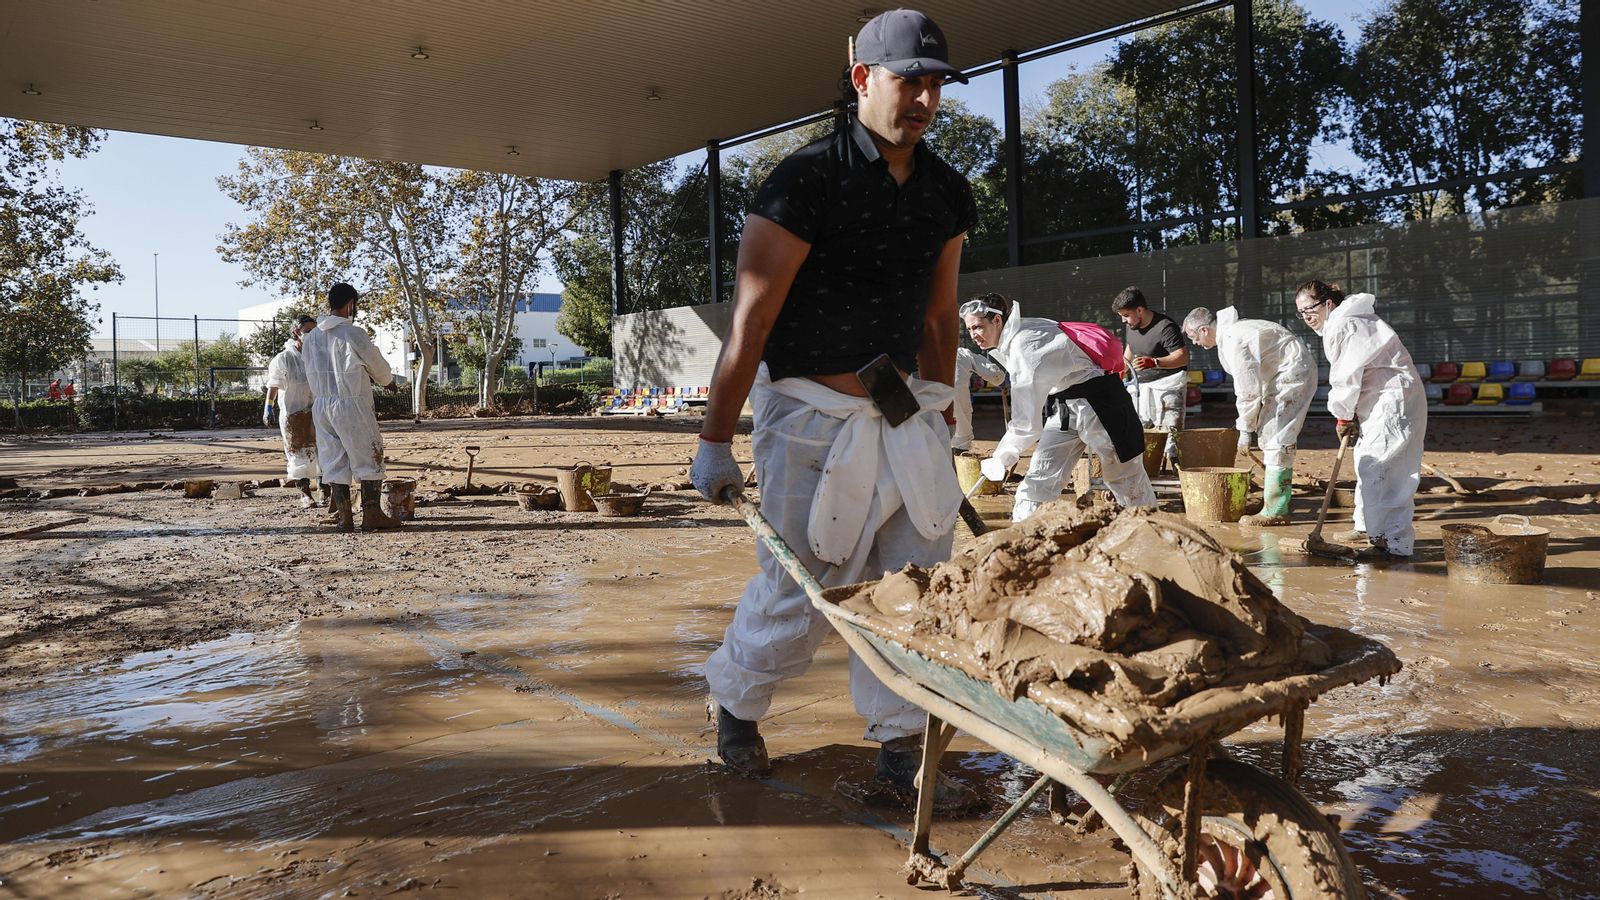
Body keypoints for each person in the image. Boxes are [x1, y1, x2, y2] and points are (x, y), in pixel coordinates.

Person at [690, 9, 975, 805]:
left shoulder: (946, 191)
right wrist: (715, 439)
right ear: (862, 80)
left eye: (933, 83)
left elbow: (939, 316)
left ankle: (899, 749)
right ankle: (737, 706)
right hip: (810, 415)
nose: (922, 96)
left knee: (913, 587)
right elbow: (753, 319)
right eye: (906, 79)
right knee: (802, 582)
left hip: (903, 414)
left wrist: (944, 409)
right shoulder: (804, 180)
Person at [965, 293, 1155, 520]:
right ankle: (1022, 537)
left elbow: (1026, 424)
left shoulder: (1025, 344)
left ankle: (1150, 532)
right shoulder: (1023, 332)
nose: (973, 335)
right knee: (1039, 477)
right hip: (1065, 406)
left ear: (997, 321)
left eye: (977, 327)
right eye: (969, 330)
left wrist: (1001, 458)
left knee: (1126, 478)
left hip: (1102, 404)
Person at [1295, 280, 1427, 559]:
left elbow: (1346, 378)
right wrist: (1349, 412)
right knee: (1369, 464)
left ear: (1328, 303)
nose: (1306, 317)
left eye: (1310, 309)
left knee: (1384, 471)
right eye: (1301, 312)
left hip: (1391, 403)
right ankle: (1369, 527)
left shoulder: (1344, 324)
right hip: (1383, 401)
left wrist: (1342, 416)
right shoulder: (1345, 321)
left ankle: (1392, 544)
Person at [1182, 306, 1315, 526]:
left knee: (1276, 438)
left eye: (1193, 337)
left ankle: (1276, 510)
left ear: (1204, 330)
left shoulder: (1235, 339)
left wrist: (1245, 429)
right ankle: (1275, 501)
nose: (1195, 343)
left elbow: (1248, 390)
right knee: (1271, 435)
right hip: (1285, 375)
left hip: (1291, 376)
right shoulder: (1234, 333)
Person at [301, 283, 402, 533]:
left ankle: (345, 518)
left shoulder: (312, 337)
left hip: (322, 406)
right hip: (351, 403)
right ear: (350, 304)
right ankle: (372, 514)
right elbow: (376, 364)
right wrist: (387, 381)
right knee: (368, 455)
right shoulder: (353, 333)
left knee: (333, 458)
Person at [1114, 287, 1189, 460]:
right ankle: (1148, 477)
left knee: (1171, 436)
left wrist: (1154, 362)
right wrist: (1120, 370)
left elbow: (1182, 357)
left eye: (1126, 315)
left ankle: (1178, 474)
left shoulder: (1166, 327)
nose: (1124, 321)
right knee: (1139, 433)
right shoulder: (1132, 326)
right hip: (1140, 388)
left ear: (1139, 310)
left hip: (1167, 387)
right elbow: (1130, 350)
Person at [264, 314, 324, 509]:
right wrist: (268, 406)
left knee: (323, 450)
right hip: (293, 414)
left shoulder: (319, 356)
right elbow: (274, 384)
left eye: (315, 331)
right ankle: (305, 494)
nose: (312, 335)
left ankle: (324, 490)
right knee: (298, 453)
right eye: (308, 331)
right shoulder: (284, 359)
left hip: (317, 411)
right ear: (296, 332)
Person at [951, 345, 1005, 453]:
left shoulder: (921, 352)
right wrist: (1000, 381)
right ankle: (961, 451)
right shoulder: (962, 353)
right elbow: (993, 373)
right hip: (960, 426)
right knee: (961, 417)